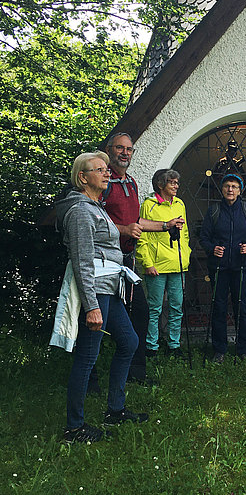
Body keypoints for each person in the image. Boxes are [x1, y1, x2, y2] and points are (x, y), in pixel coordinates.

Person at [53, 151, 147, 444]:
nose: (107, 173)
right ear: (83, 177)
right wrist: (92, 306)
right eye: (100, 170)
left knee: (129, 341)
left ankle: (115, 410)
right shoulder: (81, 211)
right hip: (96, 291)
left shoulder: (96, 206)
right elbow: (81, 260)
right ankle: (74, 428)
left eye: (107, 169)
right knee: (87, 356)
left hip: (110, 288)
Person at [98, 132, 184, 385]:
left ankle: (136, 372)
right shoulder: (103, 181)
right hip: (103, 261)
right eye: (120, 148)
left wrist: (165, 225)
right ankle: (91, 378)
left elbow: (136, 221)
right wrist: (122, 230)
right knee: (96, 317)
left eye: (129, 149)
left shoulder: (132, 182)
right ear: (109, 150)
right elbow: (95, 218)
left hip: (126, 261)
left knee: (141, 313)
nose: (125, 153)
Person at [200, 173, 246, 363]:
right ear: (222, 189)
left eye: (234, 186)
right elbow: (203, 238)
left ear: (240, 190)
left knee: (241, 307)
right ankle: (219, 350)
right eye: (227, 186)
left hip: (241, 267)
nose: (230, 189)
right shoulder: (214, 211)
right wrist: (213, 249)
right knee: (218, 307)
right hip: (218, 267)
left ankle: (243, 349)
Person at [136, 169, 191, 357]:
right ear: (160, 185)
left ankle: (174, 345)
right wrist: (147, 263)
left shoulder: (180, 204)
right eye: (172, 183)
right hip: (156, 266)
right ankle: (151, 346)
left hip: (178, 264)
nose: (176, 186)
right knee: (155, 308)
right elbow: (142, 236)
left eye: (177, 183)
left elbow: (184, 234)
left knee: (177, 307)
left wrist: (186, 255)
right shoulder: (149, 205)